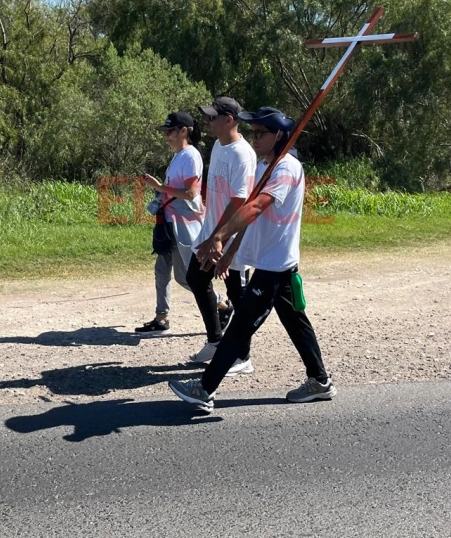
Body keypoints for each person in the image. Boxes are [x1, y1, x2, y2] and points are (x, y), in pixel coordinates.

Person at [169, 106, 336, 413]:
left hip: (275, 266)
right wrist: (232, 252)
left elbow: (256, 207)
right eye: (254, 132)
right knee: (296, 323)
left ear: (279, 136)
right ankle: (320, 381)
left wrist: (219, 237)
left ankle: (204, 389)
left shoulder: (286, 170)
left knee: (240, 325)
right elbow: (251, 217)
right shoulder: (265, 166)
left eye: (261, 133)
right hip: (274, 265)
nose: (255, 138)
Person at [185, 96, 257, 369]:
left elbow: (240, 201)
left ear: (230, 120)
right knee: (196, 278)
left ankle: (243, 356)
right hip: (211, 231)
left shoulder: (243, 154)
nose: (207, 121)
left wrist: (220, 237)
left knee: (238, 294)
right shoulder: (218, 145)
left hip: (231, 234)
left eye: (213, 117)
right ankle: (216, 341)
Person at [135, 112, 205, 335]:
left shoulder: (190, 156)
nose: (166, 136)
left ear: (184, 130)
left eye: (170, 131)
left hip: (184, 224)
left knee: (187, 277)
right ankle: (161, 318)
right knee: (162, 270)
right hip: (169, 221)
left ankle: (221, 305)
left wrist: (160, 187)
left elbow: (191, 193)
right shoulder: (179, 155)